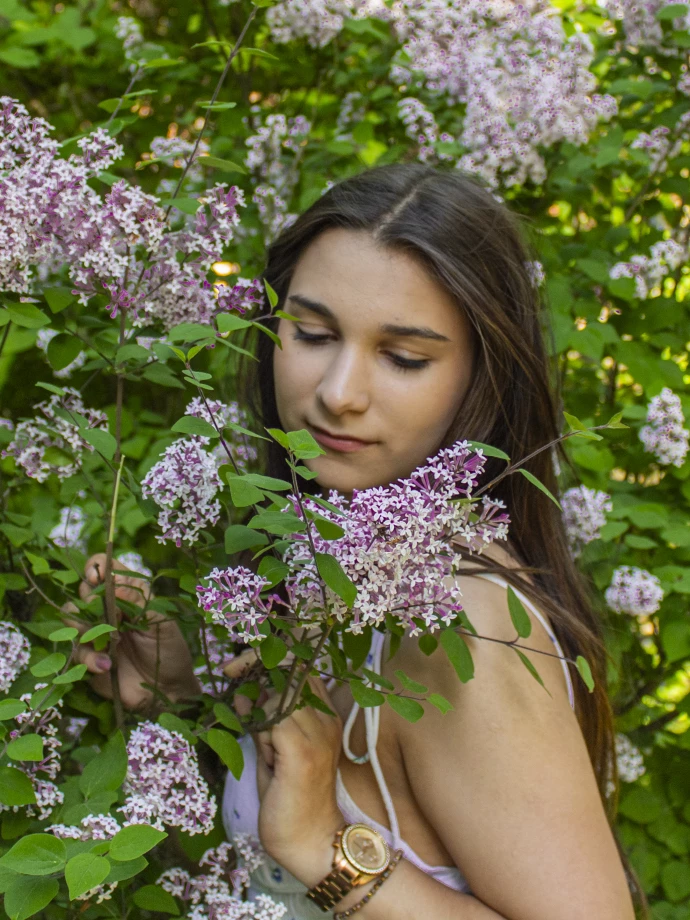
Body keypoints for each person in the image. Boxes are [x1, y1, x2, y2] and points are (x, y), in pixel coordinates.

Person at [72, 164, 642, 920]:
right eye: (311, 333)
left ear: (482, 379)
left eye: (404, 357)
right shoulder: (343, 561)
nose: (339, 392)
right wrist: (193, 683)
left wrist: (322, 847)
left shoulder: (458, 623)